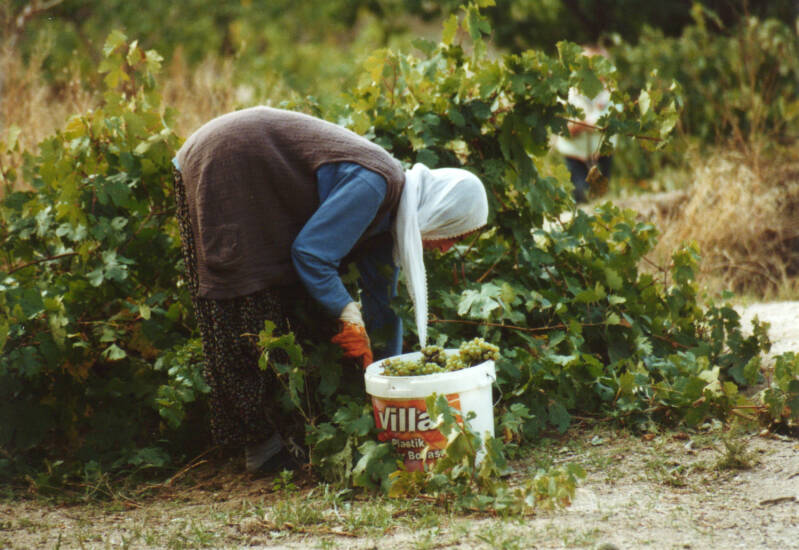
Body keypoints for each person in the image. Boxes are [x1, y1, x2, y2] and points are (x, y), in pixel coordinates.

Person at [172, 106, 489, 472]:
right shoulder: (376, 184)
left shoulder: (393, 214)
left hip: (251, 165)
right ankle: (260, 449)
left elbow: (382, 306)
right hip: (229, 156)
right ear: (445, 210)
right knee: (242, 292)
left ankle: (281, 436)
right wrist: (345, 311)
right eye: (457, 234)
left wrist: (389, 380)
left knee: (284, 303)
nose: (447, 247)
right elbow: (311, 253)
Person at [553, 46, 615, 203]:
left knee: (600, 197)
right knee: (579, 193)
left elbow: (612, 122)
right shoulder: (569, 93)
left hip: (601, 155)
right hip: (575, 155)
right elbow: (563, 126)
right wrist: (587, 124)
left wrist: (583, 124)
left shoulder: (610, 93)